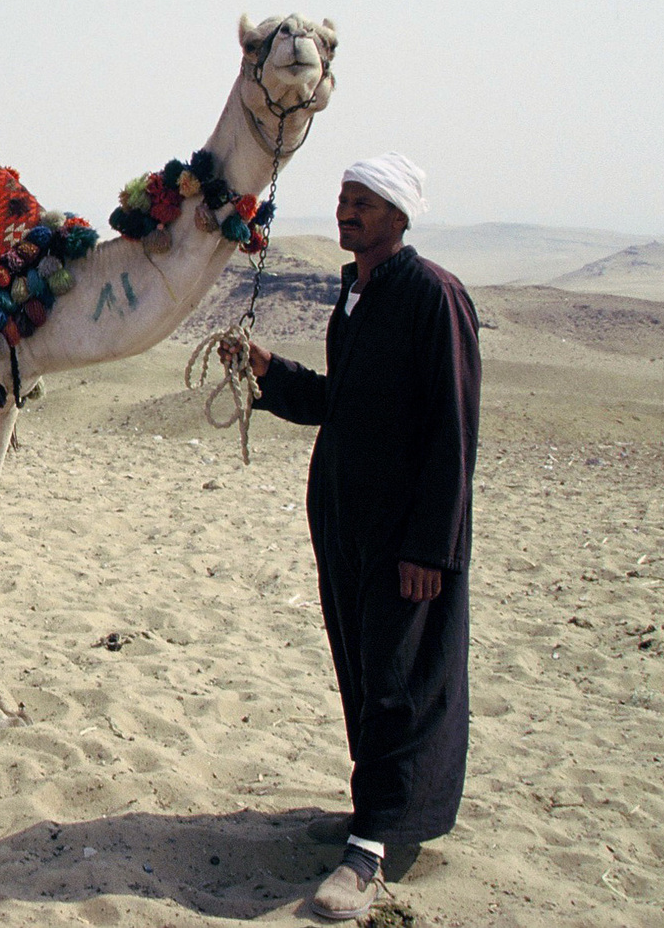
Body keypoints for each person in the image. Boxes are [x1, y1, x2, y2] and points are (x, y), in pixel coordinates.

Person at [224, 154, 480, 921]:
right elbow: (343, 403)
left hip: (406, 530)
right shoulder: (355, 293)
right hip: (344, 516)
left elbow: (452, 430)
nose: (348, 212)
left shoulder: (434, 296)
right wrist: (269, 371)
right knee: (364, 668)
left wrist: (432, 548)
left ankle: (370, 852)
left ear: (400, 215)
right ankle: (378, 813)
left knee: (401, 677)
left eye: (364, 202)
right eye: (343, 199)